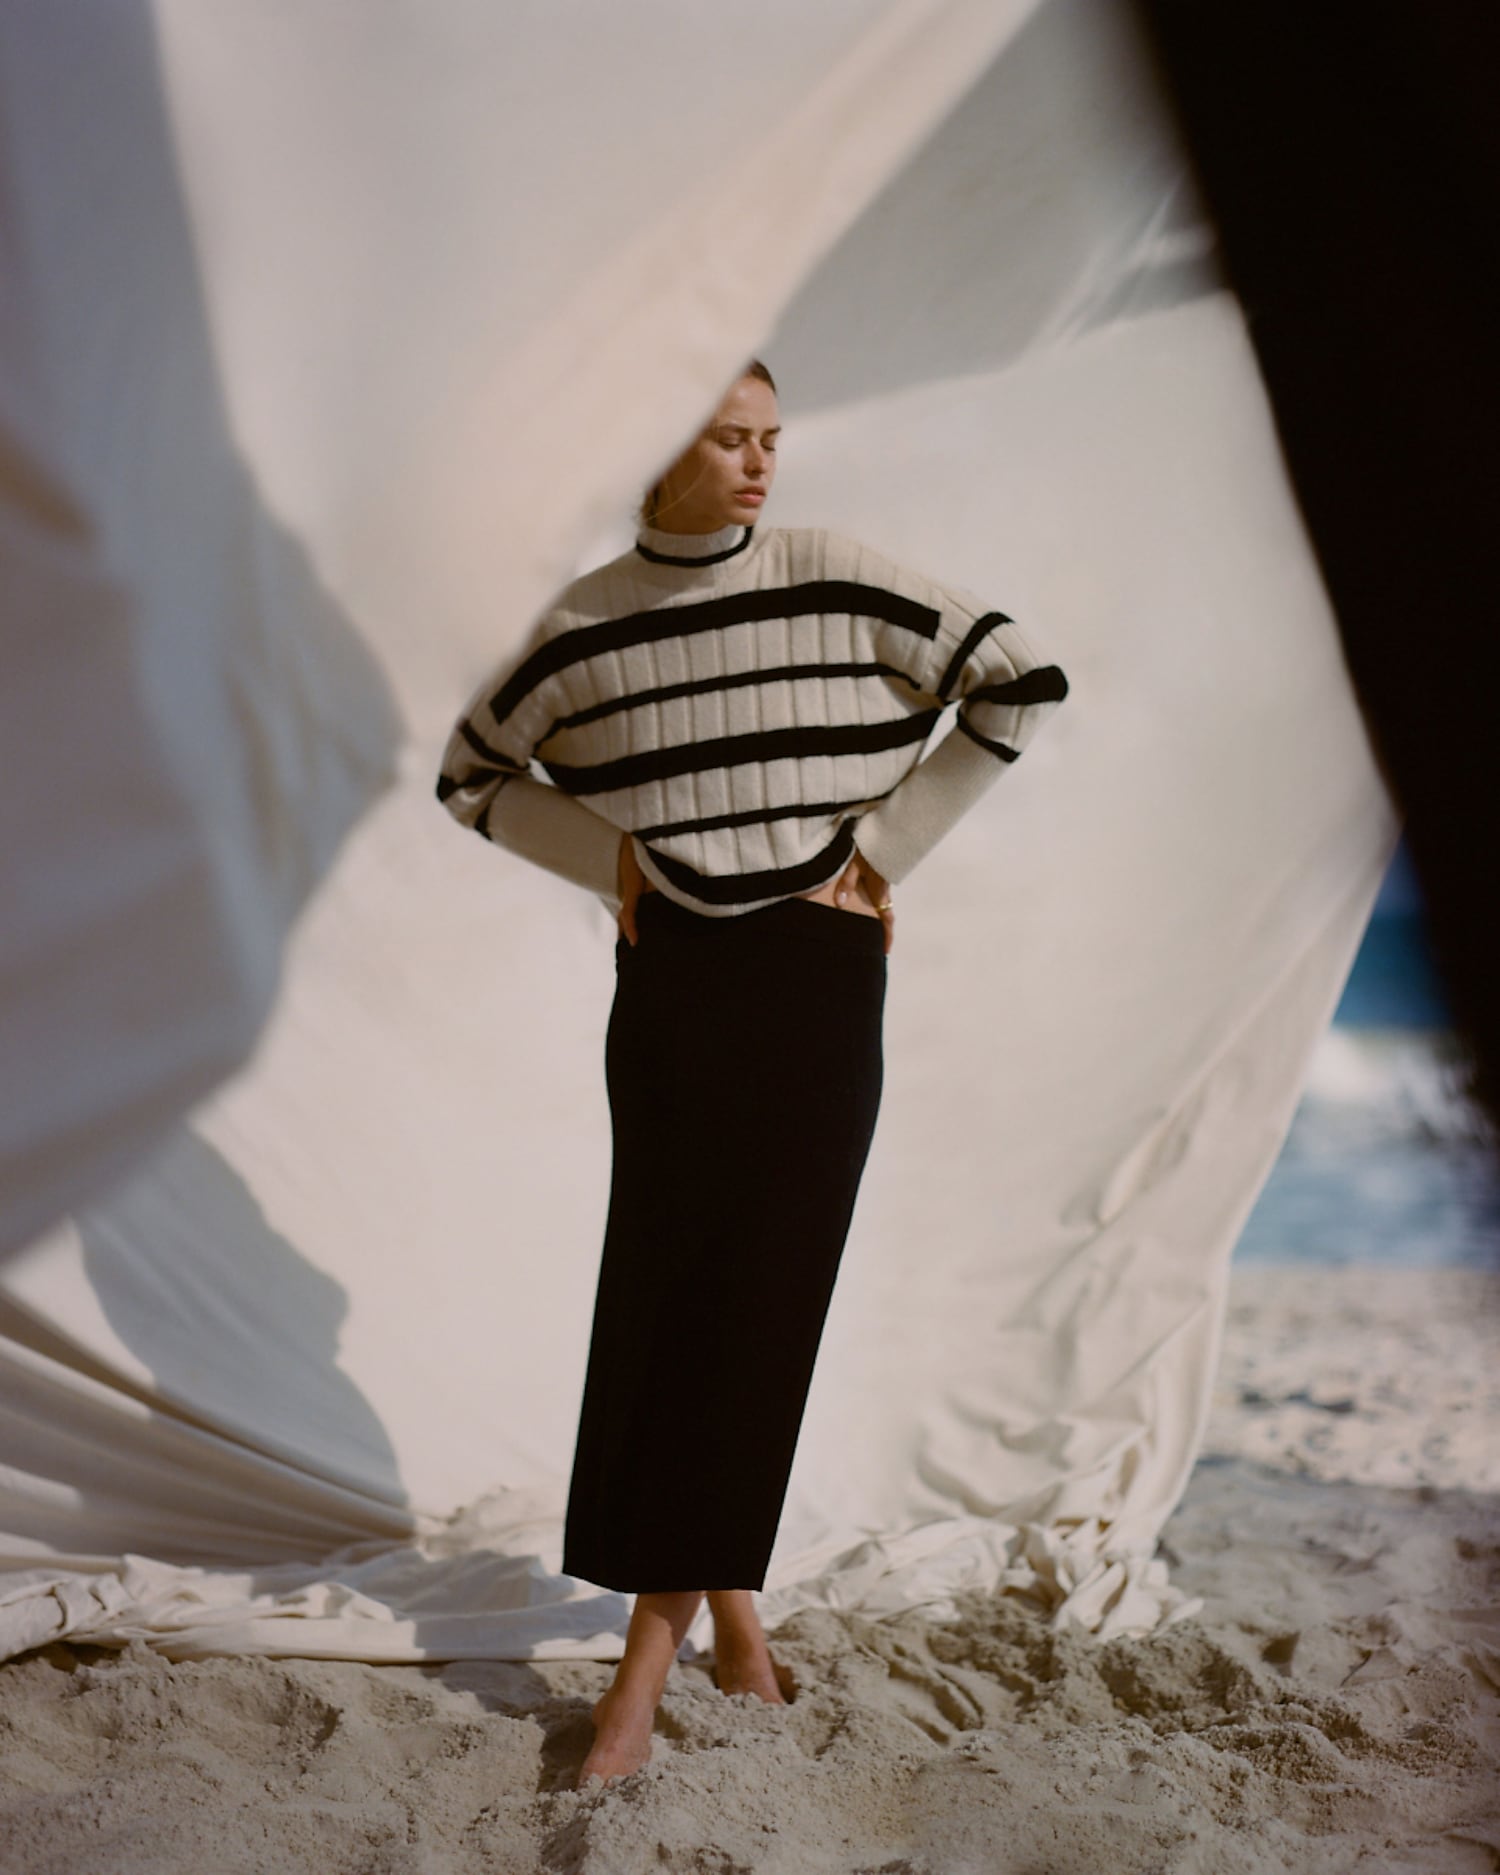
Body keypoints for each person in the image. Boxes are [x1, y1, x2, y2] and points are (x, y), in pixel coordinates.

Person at [435, 359, 1069, 1787]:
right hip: (668, 992)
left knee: (761, 1304)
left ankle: (634, 1682)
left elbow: (1019, 677)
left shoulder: (832, 578)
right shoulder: (585, 623)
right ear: (657, 451)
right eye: (730, 440)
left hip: (815, 979)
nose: (761, 464)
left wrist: (885, 852)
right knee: (670, 1297)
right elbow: (475, 775)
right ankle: (730, 1620)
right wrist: (612, 868)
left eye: (770, 439)